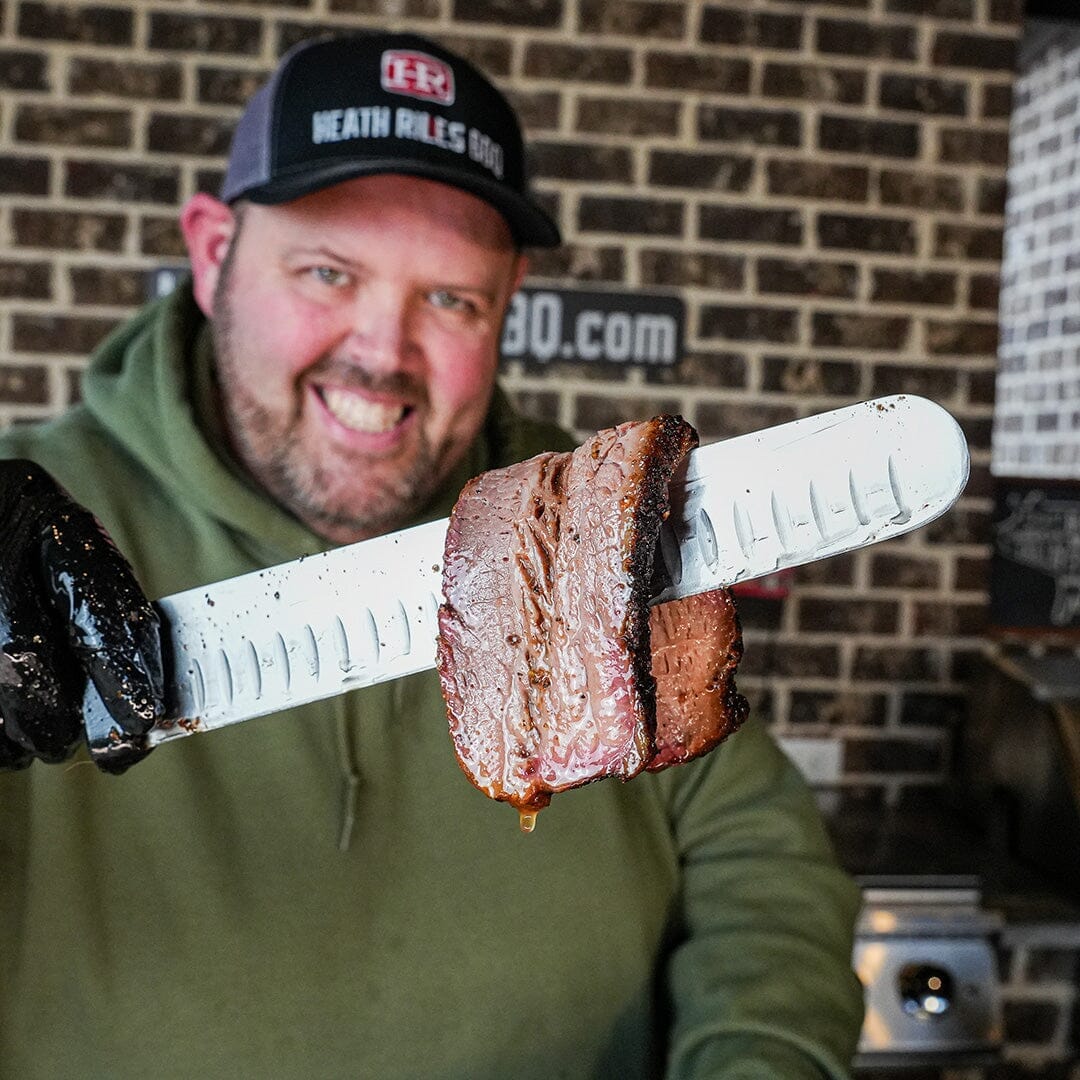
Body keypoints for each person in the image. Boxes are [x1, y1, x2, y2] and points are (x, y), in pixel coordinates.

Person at [0, 31, 865, 1079]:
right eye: (328, 272)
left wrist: (761, 1060)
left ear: (508, 300)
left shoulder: (589, 523)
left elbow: (760, 863)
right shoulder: (23, 555)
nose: (381, 354)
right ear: (213, 248)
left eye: (450, 298)